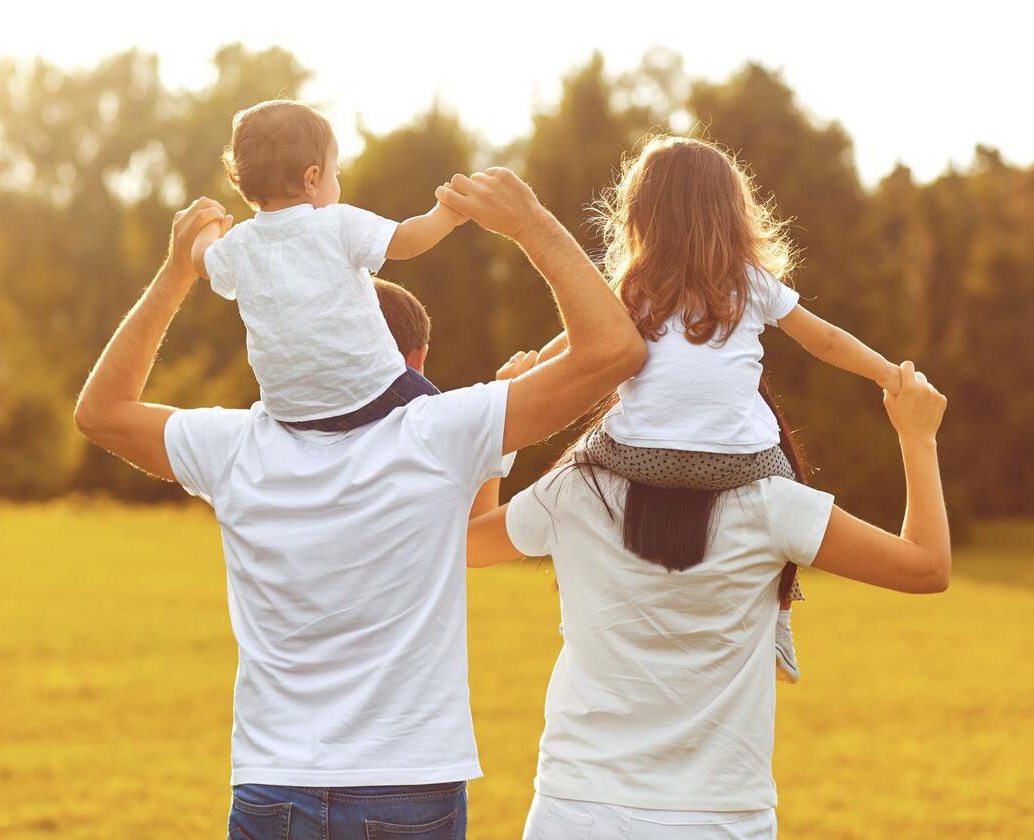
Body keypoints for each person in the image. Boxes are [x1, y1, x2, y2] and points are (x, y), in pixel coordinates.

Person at [72, 169, 647, 840]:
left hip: (272, 782)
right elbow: (615, 349)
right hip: (407, 782)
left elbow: (100, 412)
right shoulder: (440, 432)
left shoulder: (235, 449)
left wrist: (178, 272)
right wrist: (531, 226)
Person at [466, 361, 950, 840]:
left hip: (577, 808)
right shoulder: (773, 503)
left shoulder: (575, 488)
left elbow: (471, 543)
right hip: (717, 816)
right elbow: (926, 566)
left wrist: (500, 428)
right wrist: (917, 436)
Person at [530, 135, 903, 682]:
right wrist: (887, 373)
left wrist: (526, 373)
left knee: (576, 471)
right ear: (732, 215)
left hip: (638, 454)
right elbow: (824, 341)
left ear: (640, 217)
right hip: (737, 462)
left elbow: (572, 342)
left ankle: (582, 615)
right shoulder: (750, 283)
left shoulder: (632, 287)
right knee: (791, 481)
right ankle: (779, 620)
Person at [189, 99, 468, 434]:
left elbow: (201, 262)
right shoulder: (336, 223)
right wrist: (447, 214)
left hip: (290, 413)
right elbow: (406, 241)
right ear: (312, 179)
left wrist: (207, 228)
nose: (338, 180)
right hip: (371, 391)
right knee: (450, 427)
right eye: (335, 172)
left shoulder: (239, 244)